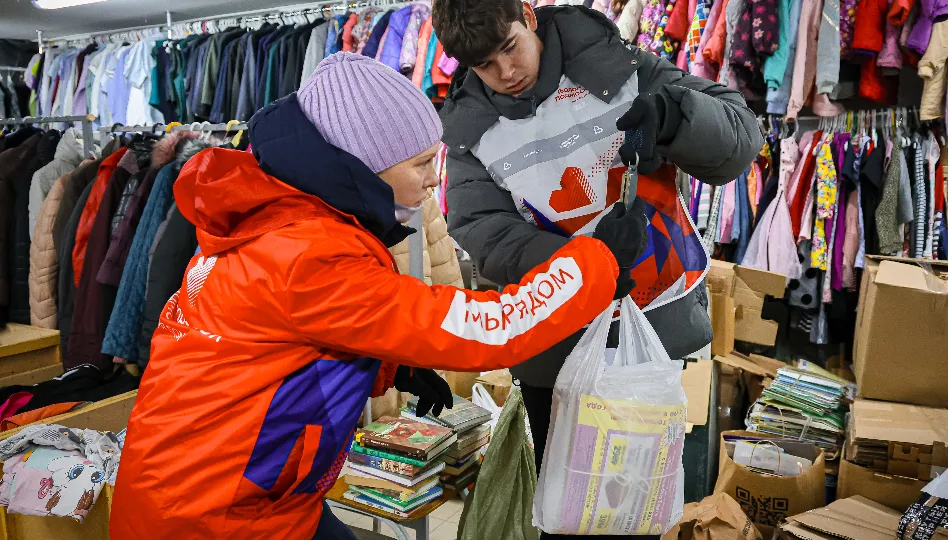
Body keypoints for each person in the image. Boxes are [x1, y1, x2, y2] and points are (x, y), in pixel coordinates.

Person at [109, 53, 648, 540]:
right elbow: (492, 329)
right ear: (359, 168)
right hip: (213, 519)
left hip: (233, 492)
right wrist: (598, 260)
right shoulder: (305, 254)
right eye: (418, 165)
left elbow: (275, 348)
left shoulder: (281, 219)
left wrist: (386, 363)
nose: (433, 180)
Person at [432, 2, 764, 538]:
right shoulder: (470, 131)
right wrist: (589, 261)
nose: (506, 73)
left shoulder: (618, 67)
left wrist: (677, 118)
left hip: (661, 331)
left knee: (659, 509)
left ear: (528, 15)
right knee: (573, 510)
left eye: (510, 48)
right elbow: (482, 232)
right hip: (557, 353)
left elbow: (740, 139)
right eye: (485, 66)